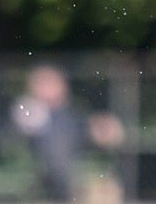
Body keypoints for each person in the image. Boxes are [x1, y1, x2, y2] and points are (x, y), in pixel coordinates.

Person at [12, 66, 125, 202]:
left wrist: (102, 127)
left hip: (73, 160)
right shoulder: (29, 110)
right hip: (46, 165)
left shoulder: (70, 112)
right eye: (44, 83)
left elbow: (83, 127)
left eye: (52, 83)